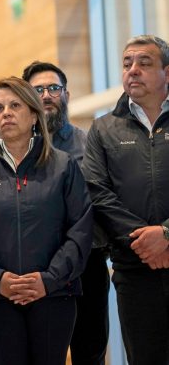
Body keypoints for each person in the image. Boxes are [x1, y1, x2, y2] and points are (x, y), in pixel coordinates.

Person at [0, 77, 92, 365]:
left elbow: (80, 231)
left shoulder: (64, 166)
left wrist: (49, 279)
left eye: (15, 105)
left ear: (33, 114)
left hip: (54, 294)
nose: (5, 113)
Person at [82, 34, 169, 365]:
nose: (133, 70)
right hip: (134, 269)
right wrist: (147, 242)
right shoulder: (104, 129)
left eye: (145, 63)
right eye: (127, 63)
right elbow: (98, 193)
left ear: (168, 74)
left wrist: (166, 235)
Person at [22, 60, 109, 365]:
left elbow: (105, 201)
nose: (47, 95)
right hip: (36, 266)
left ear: (67, 95)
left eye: (54, 88)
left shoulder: (93, 144)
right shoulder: (17, 151)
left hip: (88, 265)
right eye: (38, 89)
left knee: (90, 350)